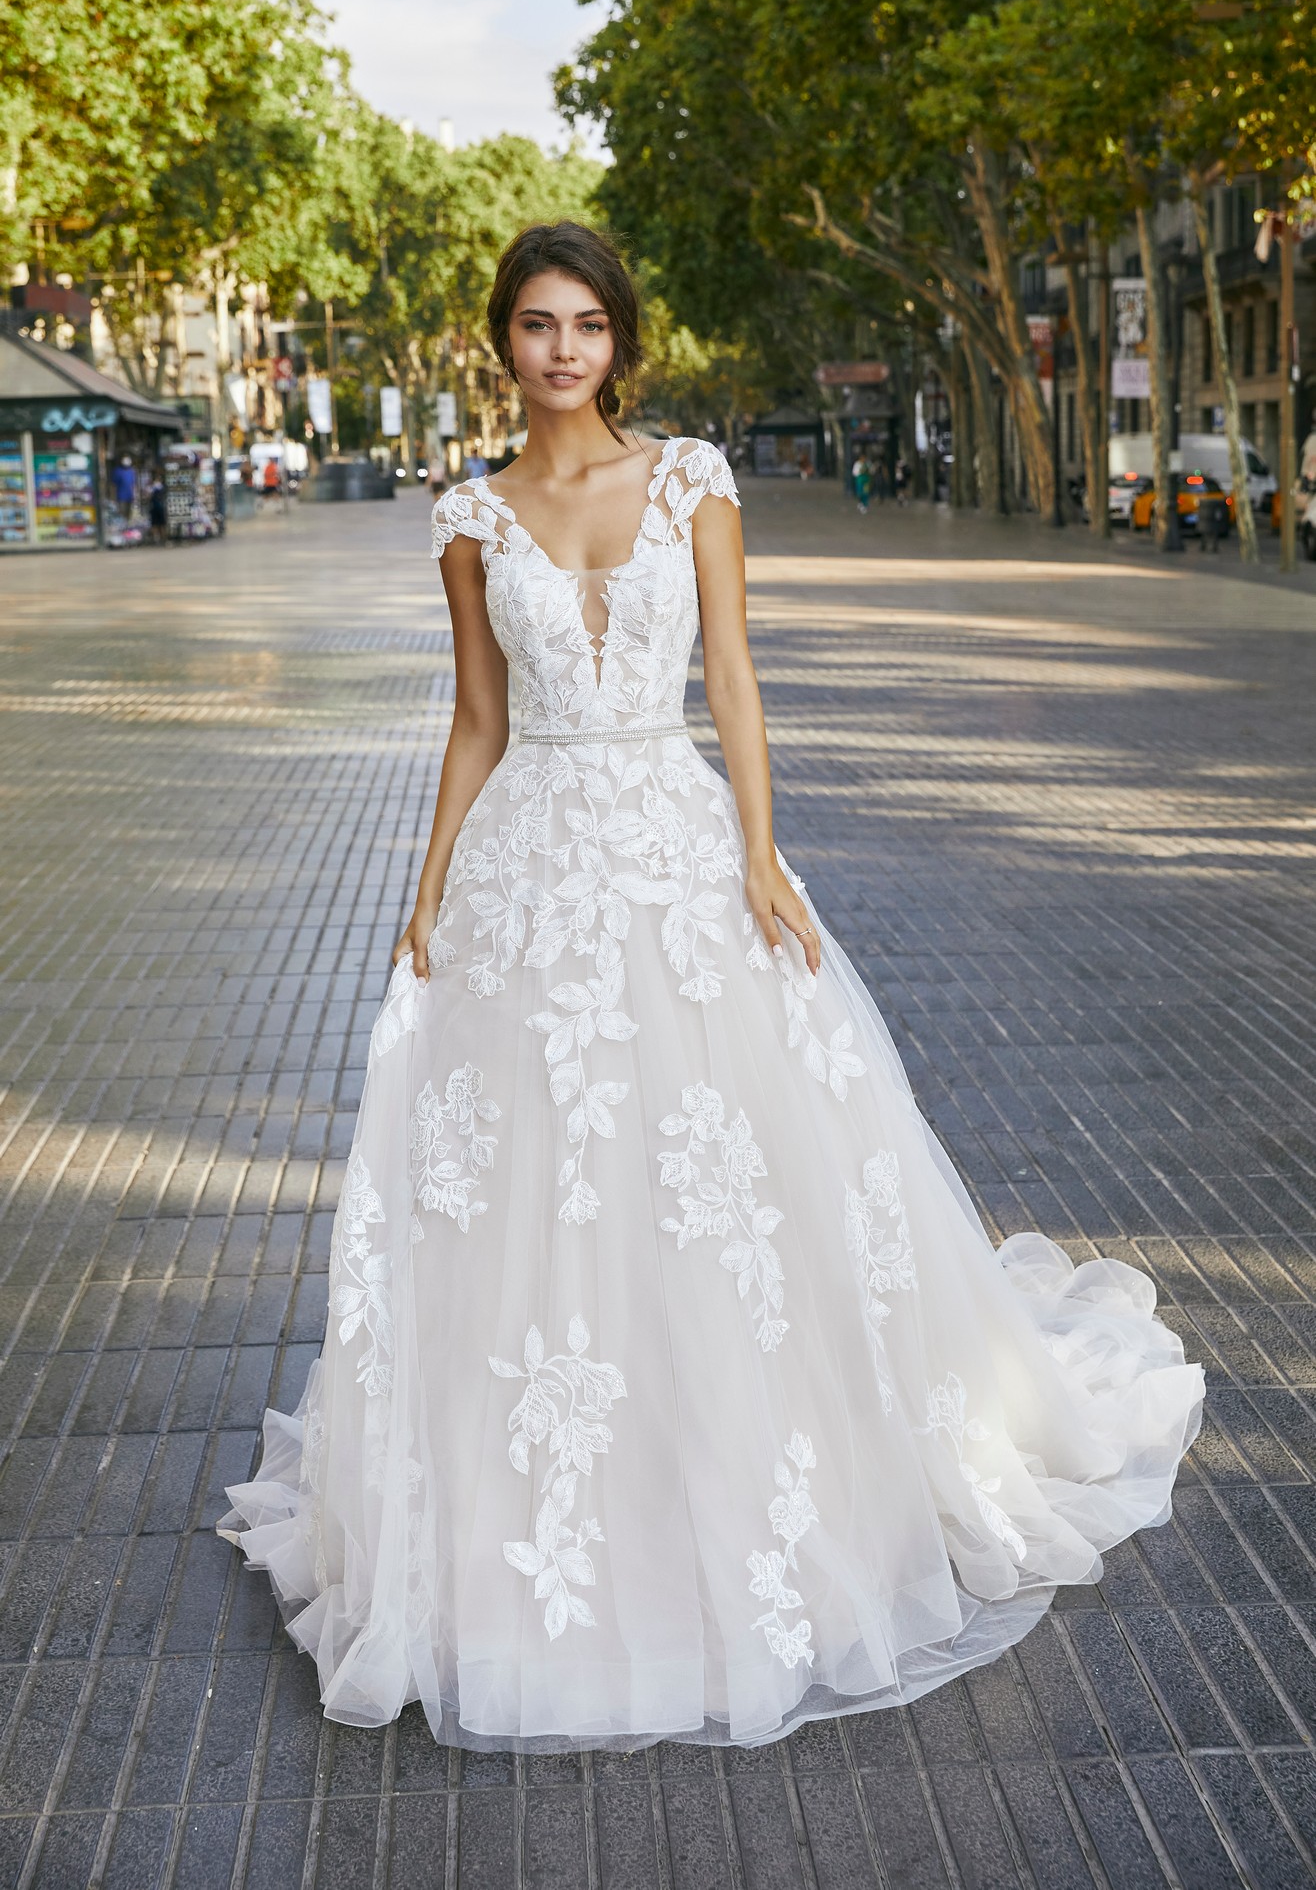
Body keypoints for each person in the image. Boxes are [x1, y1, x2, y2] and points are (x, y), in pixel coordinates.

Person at [220, 221, 1202, 1754]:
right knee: (547, 1193)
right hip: (531, 867)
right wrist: (426, 883)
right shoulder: (468, 513)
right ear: (503, 342)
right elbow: (478, 718)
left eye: (588, 323)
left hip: (681, 860)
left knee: (728, 1177)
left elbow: (734, 677)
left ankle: (777, 1480)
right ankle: (556, 1523)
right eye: (537, 324)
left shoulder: (694, 481)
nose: (562, 349)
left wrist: (760, 854)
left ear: (622, 340)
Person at [111, 454, 136, 526]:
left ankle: (127, 526)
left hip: (129, 496)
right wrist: (113, 496)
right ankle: (122, 526)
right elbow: (113, 485)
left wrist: (134, 494)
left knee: (129, 513)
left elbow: (133, 484)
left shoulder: (131, 471)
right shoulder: (117, 471)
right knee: (122, 513)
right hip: (120, 496)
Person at [147, 474, 168, 545]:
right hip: (157, 508)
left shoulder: (155, 488)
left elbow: (148, 497)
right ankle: (159, 539)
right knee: (157, 524)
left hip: (157, 508)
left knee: (158, 524)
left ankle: (160, 539)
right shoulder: (157, 488)